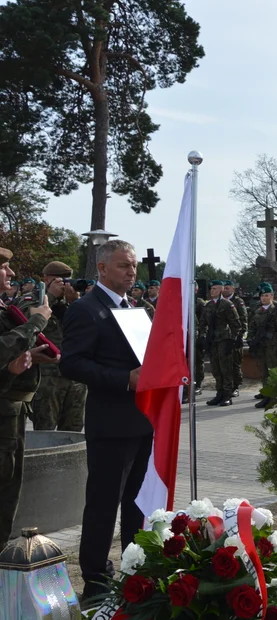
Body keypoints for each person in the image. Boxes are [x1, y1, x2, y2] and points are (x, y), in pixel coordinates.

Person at [59, 240, 151, 599]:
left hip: (143, 421)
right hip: (111, 424)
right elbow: (72, 363)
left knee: (138, 504)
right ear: (101, 268)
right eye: (124, 266)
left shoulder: (137, 309)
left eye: (134, 267)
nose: (131, 273)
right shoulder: (86, 309)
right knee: (103, 504)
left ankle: (136, 569)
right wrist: (124, 379)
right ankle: (96, 580)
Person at [0, 248, 56, 543]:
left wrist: (27, 357)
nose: (10, 274)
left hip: (12, 414)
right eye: (5, 267)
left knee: (8, 498)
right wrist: (35, 323)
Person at [32, 261, 86, 432]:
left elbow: (87, 330)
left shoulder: (76, 304)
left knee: (73, 430)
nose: (64, 284)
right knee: (45, 430)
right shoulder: (35, 301)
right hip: (49, 377)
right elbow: (29, 324)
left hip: (76, 376)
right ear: (46, 279)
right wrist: (51, 296)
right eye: (58, 280)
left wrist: (75, 303)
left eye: (67, 280)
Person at [201, 279, 241, 407]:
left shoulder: (227, 304)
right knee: (216, 369)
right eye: (211, 289)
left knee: (226, 368)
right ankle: (219, 393)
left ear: (221, 290)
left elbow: (236, 325)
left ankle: (227, 395)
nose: (212, 291)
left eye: (215, 289)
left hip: (224, 340)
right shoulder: (208, 306)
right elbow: (202, 323)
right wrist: (202, 337)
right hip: (212, 341)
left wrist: (233, 341)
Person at [246, 282, 277, 409]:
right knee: (263, 372)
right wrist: (250, 340)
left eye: (266, 295)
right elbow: (252, 328)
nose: (264, 298)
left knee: (272, 372)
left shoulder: (276, 312)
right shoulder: (258, 311)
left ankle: (273, 397)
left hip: (272, 347)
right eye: (262, 296)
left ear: (272, 296)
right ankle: (266, 395)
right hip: (261, 346)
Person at [221, 280, 247, 397]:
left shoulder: (238, 302)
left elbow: (243, 320)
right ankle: (225, 387)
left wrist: (239, 336)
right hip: (223, 338)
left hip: (235, 337)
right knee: (224, 364)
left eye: (227, 288)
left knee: (235, 363)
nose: (225, 290)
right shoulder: (220, 302)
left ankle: (236, 386)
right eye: (224, 288)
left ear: (233, 289)